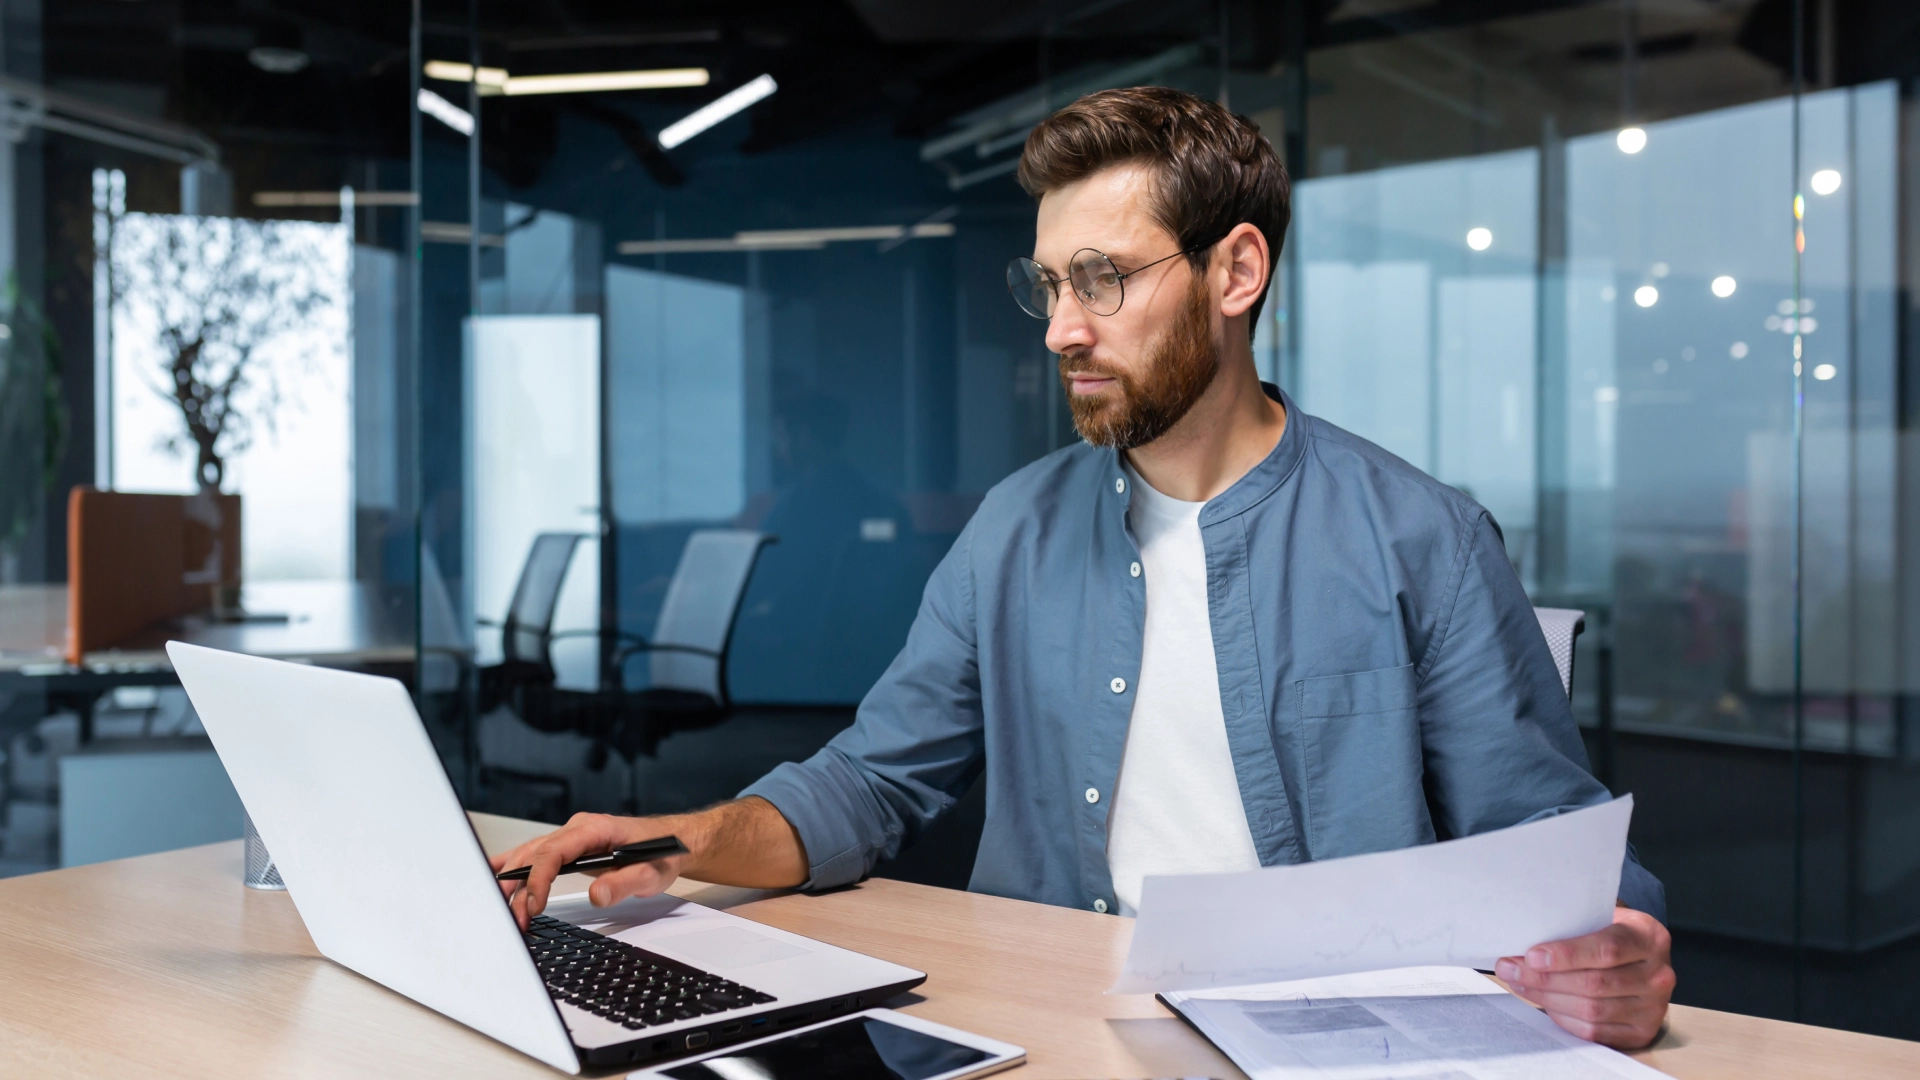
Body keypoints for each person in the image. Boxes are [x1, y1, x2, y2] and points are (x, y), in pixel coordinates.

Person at [493, 86, 1676, 1049]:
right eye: (1052, 285)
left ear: (1235, 273)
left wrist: (1617, 944)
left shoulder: (1424, 537)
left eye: (1104, 280)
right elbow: (870, 785)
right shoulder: (1014, 528)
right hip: (1046, 1025)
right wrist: (668, 840)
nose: (1063, 328)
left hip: (1325, 1043)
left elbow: (1554, 852)